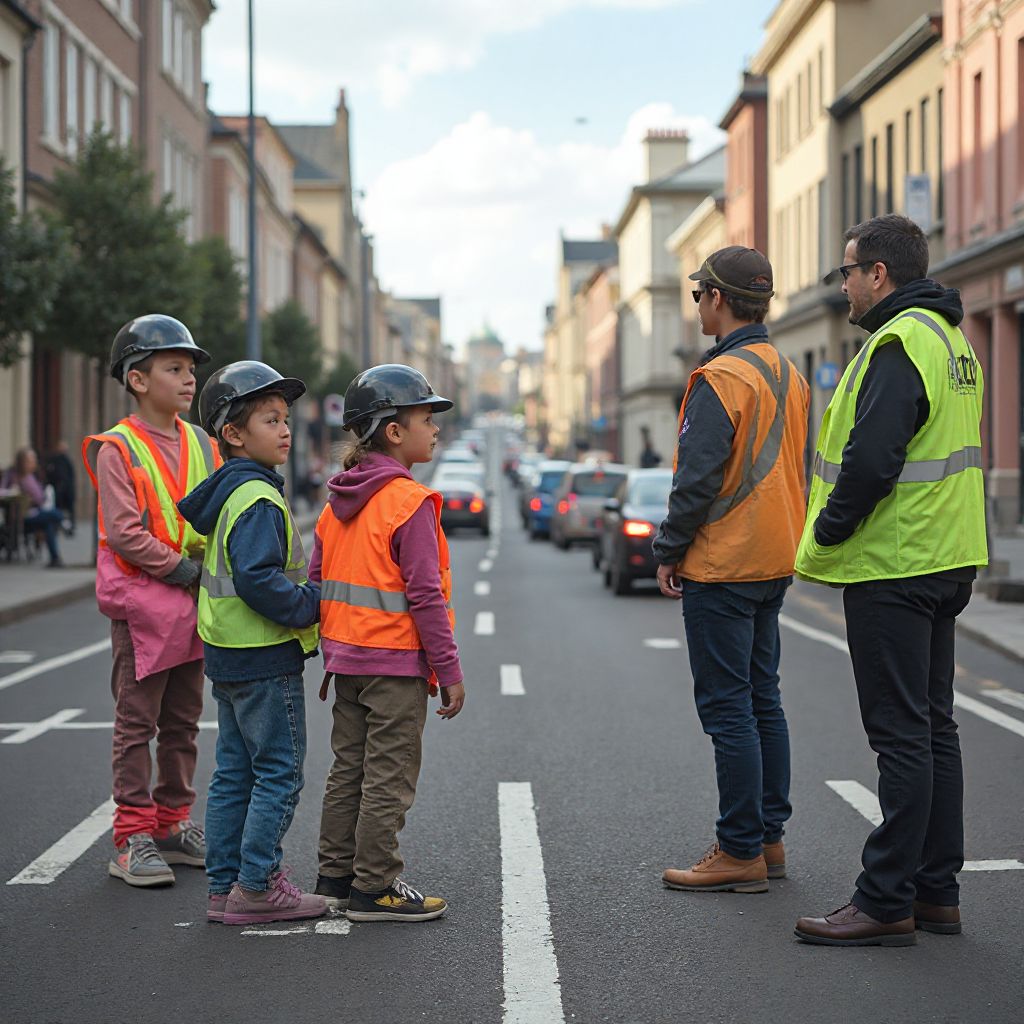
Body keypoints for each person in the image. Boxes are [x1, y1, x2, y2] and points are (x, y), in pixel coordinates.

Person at [793, 215, 987, 947]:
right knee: (935, 727)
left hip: (896, 562)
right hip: (947, 558)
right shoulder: (951, 340)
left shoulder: (898, 342)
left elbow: (873, 459)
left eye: (847, 271)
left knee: (903, 735)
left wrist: (833, 527)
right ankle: (937, 891)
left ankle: (884, 900)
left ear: (879, 275)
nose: (841, 284)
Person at [653, 246, 809, 895]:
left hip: (723, 560)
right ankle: (768, 837)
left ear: (717, 299)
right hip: (774, 556)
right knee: (762, 699)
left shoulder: (720, 378)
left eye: (698, 296)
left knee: (728, 710)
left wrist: (669, 548)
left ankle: (739, 848)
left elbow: (697, 478)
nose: (697, 308)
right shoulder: (788, 372)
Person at [310, 364, 465, 922]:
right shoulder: (409, 503)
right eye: (427, 418)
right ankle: (375, 887)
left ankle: (335, 877)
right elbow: (424, 597)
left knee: (347, 770)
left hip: (345, 663)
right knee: (388, 778)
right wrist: (448, 670)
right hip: (396, 667)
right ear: (393, 430)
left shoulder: (337, 502)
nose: (435, 429)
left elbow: (317, 582)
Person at [178, 361, 326, 926]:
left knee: (234, 774)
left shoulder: (227, 494)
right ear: (233, 435)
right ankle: (258, 885)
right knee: (280, 773)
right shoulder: (258, 500)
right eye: (270, 419)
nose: (285, 429)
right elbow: (259, 580)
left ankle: (224, 888)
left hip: (227, 658)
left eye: (285, 418)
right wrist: (309, 605)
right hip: (266, 658)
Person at [81, 314, 220, 887]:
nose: (189, 380)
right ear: (137, 380)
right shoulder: (120, 448)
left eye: (190, 370)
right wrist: (186, 568)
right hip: (146, 605)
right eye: (174, 368)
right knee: (137, 723)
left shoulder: (202, 442)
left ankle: (171, 822)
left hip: (191, 605)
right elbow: (124, 533)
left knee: (184, 722)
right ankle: (132, 836)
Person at [7, 448, 65, 566]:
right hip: (23, 517)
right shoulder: (14, 476)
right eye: (30, 460)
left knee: (49, 524)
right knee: (55, 515)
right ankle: (65, 523)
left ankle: (55, 558)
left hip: (35, 512)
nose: (34, 462)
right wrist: (14, 491)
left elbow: (40, 498)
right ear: (23, 462)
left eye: (34, 460)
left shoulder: (32, 476)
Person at [45, 440, 76, 534]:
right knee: (58, 508)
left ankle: (70, 526)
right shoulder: (54, 460)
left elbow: (71, 475)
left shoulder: (67, 460)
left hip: (67, 489)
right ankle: (58, 526)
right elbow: (50, 473)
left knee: (69, 509)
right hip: (57, 489)